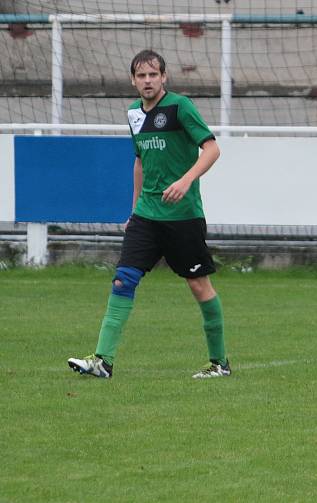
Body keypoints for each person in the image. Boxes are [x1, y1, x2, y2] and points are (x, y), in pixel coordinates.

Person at [68, 49, 230, 379]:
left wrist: (186, 181)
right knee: (122, 279)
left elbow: (212, 148)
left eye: (153, 74)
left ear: (164, 77)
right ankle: (103, 360)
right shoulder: (133, 113)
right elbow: (139, 161)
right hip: (146, 216)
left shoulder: (180, 107)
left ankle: (219, 363)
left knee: (199, 287)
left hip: (183, 215)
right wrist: (134, 210)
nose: (147, 81)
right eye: (141, 76)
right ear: (132, 80)